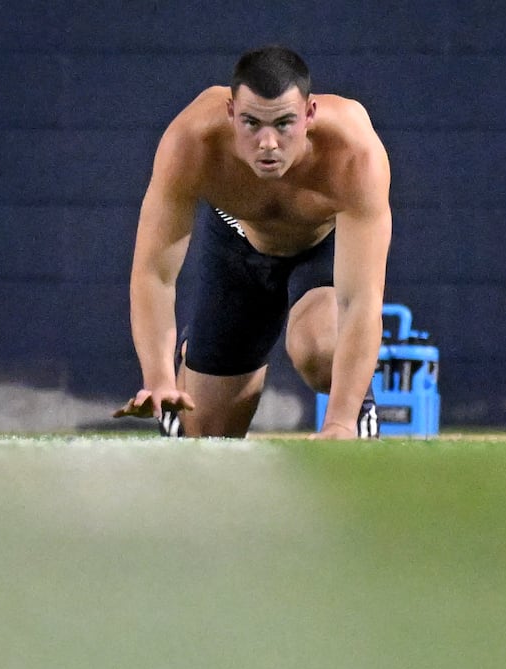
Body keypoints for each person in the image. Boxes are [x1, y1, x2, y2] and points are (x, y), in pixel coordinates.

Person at [114, 46, 392, 439]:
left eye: (283, 124)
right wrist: (159, 379)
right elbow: (154, 274)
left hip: (321, 249)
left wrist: (340, 422)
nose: (268, 143)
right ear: (230, 112)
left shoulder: (354, 154)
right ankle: (194, 357)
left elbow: (360, 301)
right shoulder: (191, 142)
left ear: (309, 114)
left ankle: (357, 408)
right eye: (251, 123)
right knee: (204, 436)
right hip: (237, 244)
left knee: (321, 346)